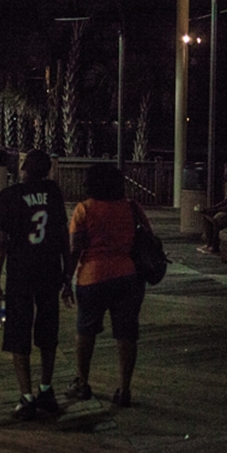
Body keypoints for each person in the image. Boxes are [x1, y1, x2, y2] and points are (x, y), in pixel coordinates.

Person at [0, 149, 72, 420]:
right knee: (48, 332)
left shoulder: (10, 196)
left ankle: (26, 396)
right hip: (49, 271)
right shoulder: (53, 195)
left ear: (23, 168)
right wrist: (68, 276)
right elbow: (62, 237)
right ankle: (46, 389)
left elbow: (2, 241)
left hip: (20, 272)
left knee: (17, 333)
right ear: (47, 170)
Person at [65, 163, 149, 408]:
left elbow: (74, 249)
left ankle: (82, 382)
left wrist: (66, 281)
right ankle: (124, 388)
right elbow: (147, 238)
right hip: (127, 276)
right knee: (126, 334)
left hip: (92, 277)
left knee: (86, 331)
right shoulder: (131, 208)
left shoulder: (84, 210)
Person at [196, 164, 227, 255]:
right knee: (207, 216)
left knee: (218, 218)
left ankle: (215, 246)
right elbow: (226, 201)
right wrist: (211, 209)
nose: (225, 175)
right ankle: (209, 243)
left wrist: (216, 210)